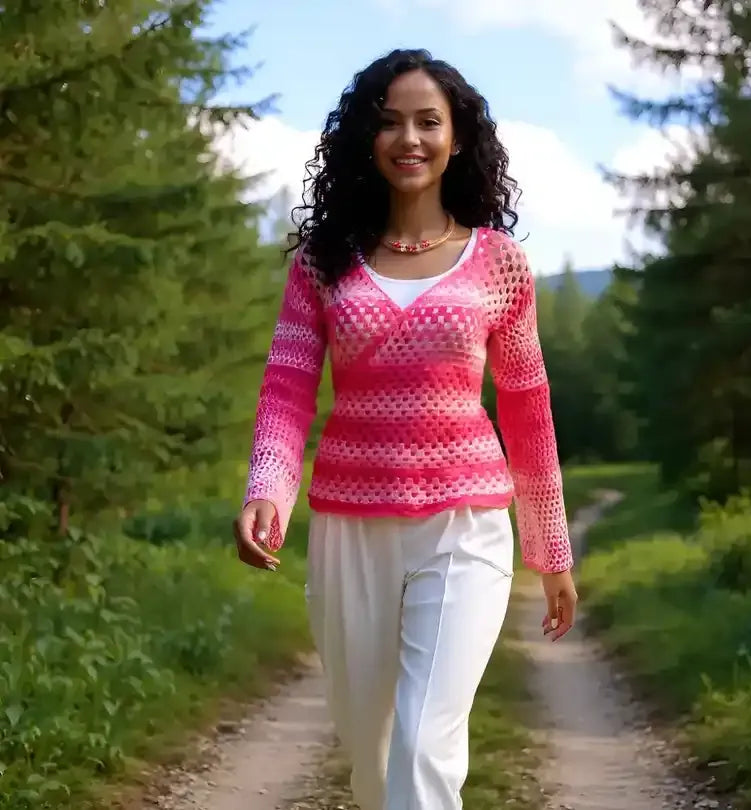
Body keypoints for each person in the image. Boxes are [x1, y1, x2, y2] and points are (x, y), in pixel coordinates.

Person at [233, 48, 577, 810]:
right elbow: (288, 389)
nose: (409, 139)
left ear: (458, 138)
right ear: (365, 138)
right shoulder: (324, 263)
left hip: (466, 525)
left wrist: (551, 549)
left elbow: (527, 410)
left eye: (428, 121)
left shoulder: (499, 264)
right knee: (372, 754)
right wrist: (267, 488)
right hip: (349, 528)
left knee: (423, 748)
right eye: (389, 123)